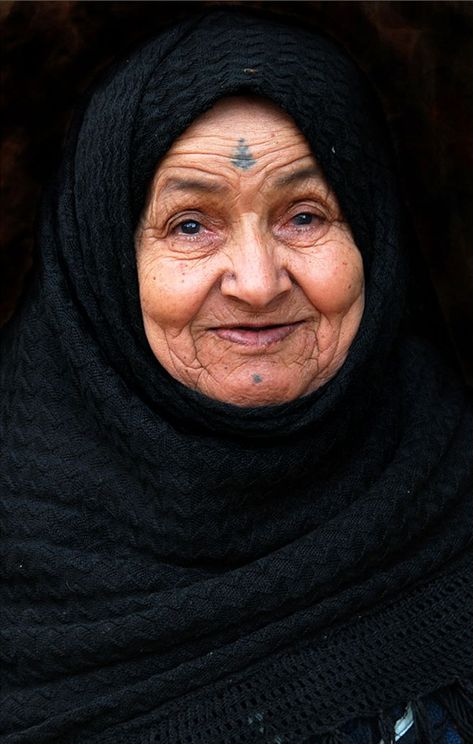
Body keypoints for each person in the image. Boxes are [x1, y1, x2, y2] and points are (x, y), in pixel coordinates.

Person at [1, 8, 472, 743]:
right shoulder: (20, 532)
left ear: (373, 238)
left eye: (305, 216)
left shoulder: (451, 480)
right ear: (102, 258)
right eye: (190, 225)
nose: (256, 281)